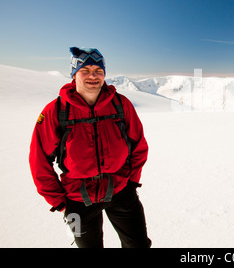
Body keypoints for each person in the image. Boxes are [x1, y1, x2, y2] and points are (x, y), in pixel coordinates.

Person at [29, 47, 151, 248]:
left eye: (99, 71)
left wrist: (131, 181)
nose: (93, 76)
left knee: (138, 245)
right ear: (74, 75)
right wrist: (59, 202)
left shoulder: (121, 104)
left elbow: (139, 146)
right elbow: (39, 159)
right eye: (85, 71)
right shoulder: (55, 111)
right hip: (76, 201)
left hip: (121, 191)